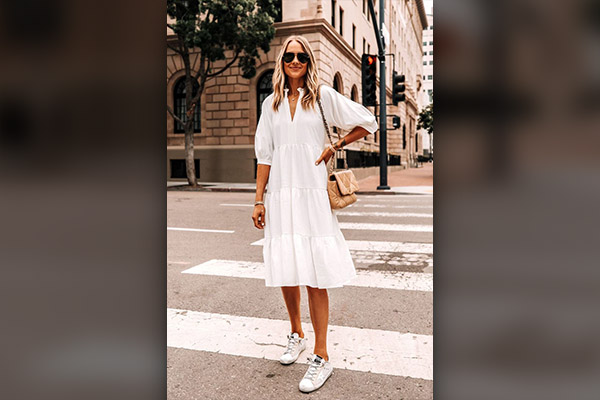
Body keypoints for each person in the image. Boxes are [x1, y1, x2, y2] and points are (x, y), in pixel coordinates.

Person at [251, 35, 378, 393]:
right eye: (289, 56)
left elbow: (368, 121)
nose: (295, 61)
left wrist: (336, 143)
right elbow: (265, 156)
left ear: (308, 60)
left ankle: (322, 355)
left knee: (315, 274)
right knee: (288, 268)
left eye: (301, 56)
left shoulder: (322, 96)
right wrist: (259, 199)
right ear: (282, 61)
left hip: (312, 195)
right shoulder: (270, 105)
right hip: (280, 195)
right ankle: (296, 333)